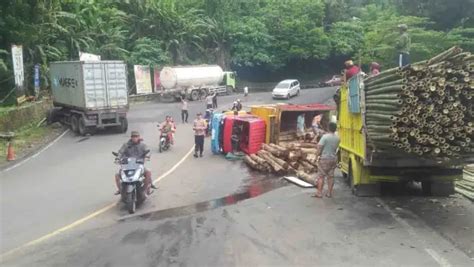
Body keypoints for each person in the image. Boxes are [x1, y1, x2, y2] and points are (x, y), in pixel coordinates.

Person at [114, 131, 156, 195]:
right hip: (127, 166)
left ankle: (146, 189)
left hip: (138, 165)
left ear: (139, 137)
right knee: (117, 175)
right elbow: (120, 152)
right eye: (133, 137)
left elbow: (148, 151)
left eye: (136, 136)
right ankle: (120, 190)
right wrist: (118, 158)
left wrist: (147, 157)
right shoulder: (126, 145)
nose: (134, 138)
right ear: (131, 137)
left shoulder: (143, 145)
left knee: (148, 173)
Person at [313, 122, 340, 198]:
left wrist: (316, 157)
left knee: (321, 176)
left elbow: (319, 148)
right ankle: (329, 193)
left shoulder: (325, 137)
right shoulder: (337, 138)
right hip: (333, 158)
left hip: (325, 158)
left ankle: (319, 193)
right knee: (331, 176)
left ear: (328, 128)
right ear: (335, 129)